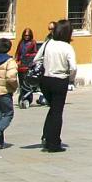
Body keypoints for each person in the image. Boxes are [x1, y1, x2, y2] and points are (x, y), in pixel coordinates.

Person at [34, 19, 77, 152]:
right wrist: (70, 78)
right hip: (60, 79)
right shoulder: (67, 47)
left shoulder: (48, 43)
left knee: (53, 109)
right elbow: (73, 67)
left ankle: (46, 137)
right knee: (57, 112)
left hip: (45, 80)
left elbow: (36, 59)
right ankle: (54, 143)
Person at [15, 28, 38, 109]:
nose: (26, 37)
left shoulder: (33, 43)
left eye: (28, 35)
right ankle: (21, 97)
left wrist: (29, 57)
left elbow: (35, 53)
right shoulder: (21, 42)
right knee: (21, 83)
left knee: (27, 83)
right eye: (25, 35)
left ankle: (28, 98)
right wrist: (17, 60)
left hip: (28, 65)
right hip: (21, 65)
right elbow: (18, 52)